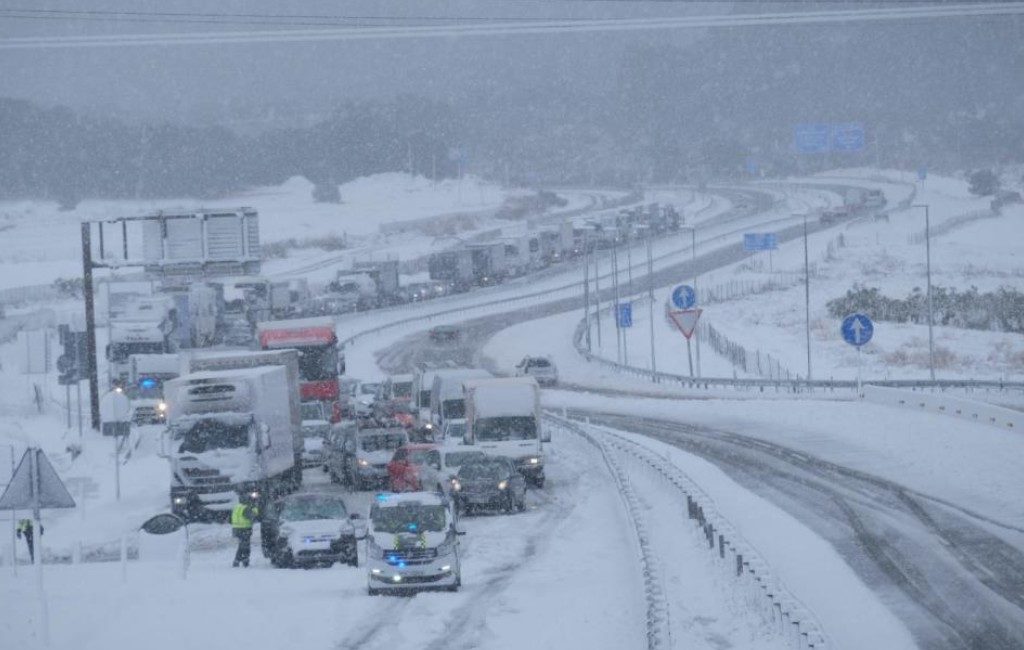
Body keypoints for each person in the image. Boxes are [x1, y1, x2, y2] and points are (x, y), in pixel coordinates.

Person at [230, 498, 259, 568]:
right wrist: (255, 508)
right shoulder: (246, 508)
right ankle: (241, 560)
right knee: (244, 546)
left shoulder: (237, 507)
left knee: (242, 545)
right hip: (244, 529)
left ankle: (242, 560)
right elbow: (252, 516)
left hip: (236, 528)